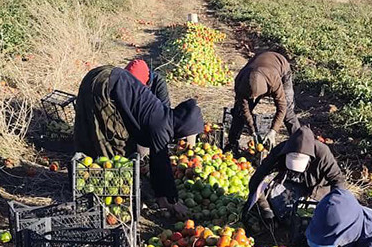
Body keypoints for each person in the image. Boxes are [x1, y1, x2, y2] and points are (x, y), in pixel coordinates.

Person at [74, 64, 203, 216]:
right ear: (183, 128)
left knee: (89, 130)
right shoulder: (162, 125)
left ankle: (84, 179)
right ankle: (108, 196)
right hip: (104, 84)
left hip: (100, 74)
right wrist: (172, 200)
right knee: (114, 145)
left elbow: (158, 163)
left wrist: (162, 197)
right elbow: (160, 163)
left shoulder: (164, 115)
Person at [242, 126, 346, 225]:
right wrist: (265, 208)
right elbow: (258, 179)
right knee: (281, 209)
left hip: (314, 189)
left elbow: (337, 180)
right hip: (290, 185)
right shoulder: (280, 151)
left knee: (309, 216)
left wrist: (334, 205)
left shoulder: (322, 154)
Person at [226, 50, 300, 152]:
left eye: (257, 97)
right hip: (258, 66)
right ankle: (232, 143)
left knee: (287, 111)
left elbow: (281, 107)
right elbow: (244, 109)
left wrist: (273, 130)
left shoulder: (274, 80)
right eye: (252, 98)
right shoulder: (241, 82)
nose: (255, 100)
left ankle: (300, 143)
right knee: (239, 111)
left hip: (281, 66)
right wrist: (253, 131)